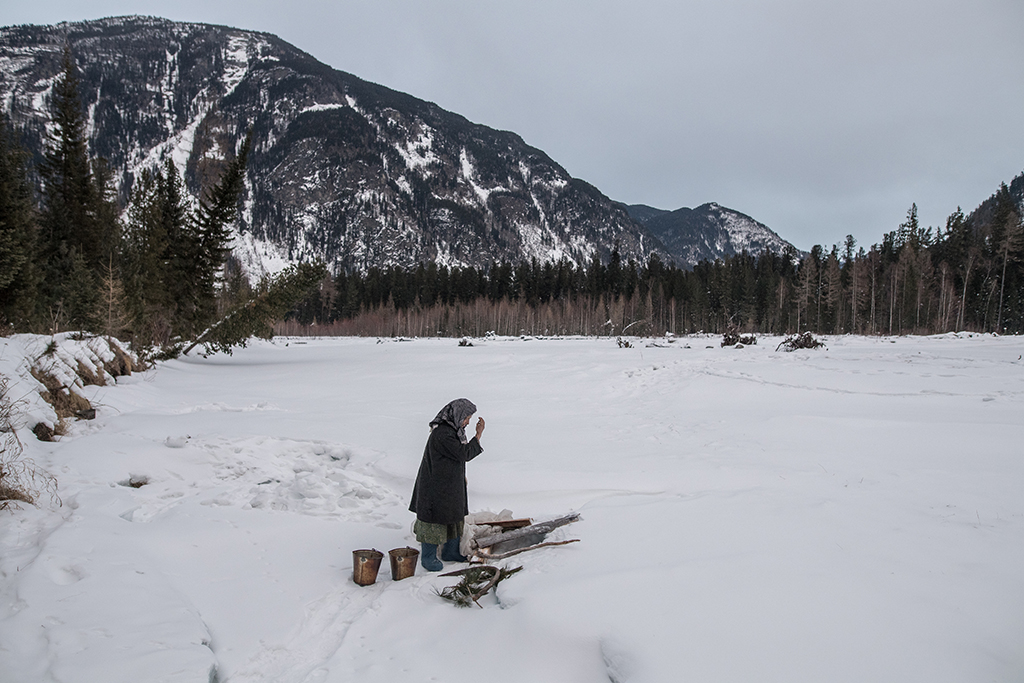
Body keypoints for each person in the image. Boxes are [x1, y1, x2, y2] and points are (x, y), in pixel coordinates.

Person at [409, 398, 485, 571]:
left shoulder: (454, 431)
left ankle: (450, 552)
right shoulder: (443, 433)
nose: (467, 422)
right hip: (436, 485)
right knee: (433, 518)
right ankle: (428, 558)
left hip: (450, 483)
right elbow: (463, 453)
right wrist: (478, 436)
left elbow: (457, 457)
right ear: (457, 415)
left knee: (454, 515)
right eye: (466, 418)